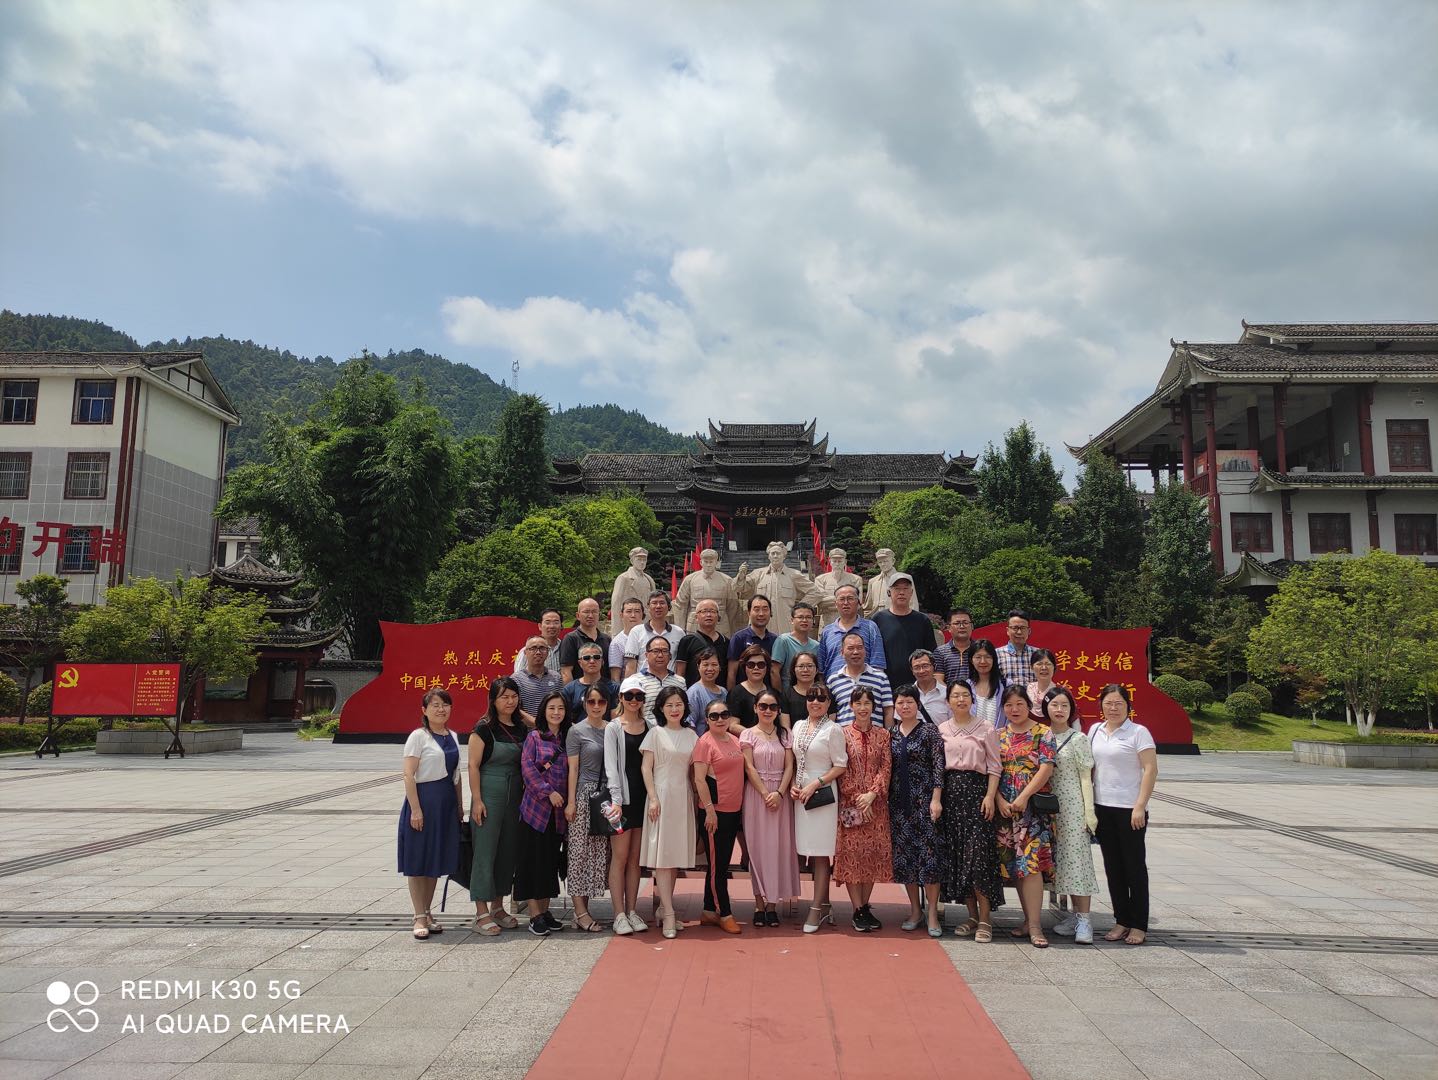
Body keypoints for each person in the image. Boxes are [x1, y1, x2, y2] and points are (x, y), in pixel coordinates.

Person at [1090, 683, 1157, 946]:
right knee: (1113, 867)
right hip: (1102, 807)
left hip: (1130, 810)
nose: (1113, 708)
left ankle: (1139, 924)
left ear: (1128, 706)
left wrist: (1140, 805)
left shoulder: (1139, 732)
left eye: (1119, 703)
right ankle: (1121, 920)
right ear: (1101, 706)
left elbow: (1150, 769)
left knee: (1134, 867)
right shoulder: (1095, 730)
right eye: (1108, 703)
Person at [936, 681, 1003, 943]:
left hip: (977, 794)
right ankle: (972, 916)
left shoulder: (986, 728)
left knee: (979, 857)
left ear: (972, 699)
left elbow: (995, 766)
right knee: (959, 856)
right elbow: (939, 767)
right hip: (952, 795)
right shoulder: (942, 729)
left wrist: (989, 796)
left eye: (965, 695)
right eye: (956, 695)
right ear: (948, 701)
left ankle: (986, 919)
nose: (961, 699)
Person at [398, 688, 463, 940]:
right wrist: (416, 809)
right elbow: (408, 775)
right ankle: (418, 916)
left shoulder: (453, 736)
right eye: (435, 705)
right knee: (418, 859)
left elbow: (456, 775)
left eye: (445, 704)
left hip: (446, 803)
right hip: (424, 801)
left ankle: (427, 911)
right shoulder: (418, 737)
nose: (441, 709)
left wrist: (459, 806)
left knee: (435, 859)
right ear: (424, 710)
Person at [996, 685, 1056, 949]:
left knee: (1031, 866)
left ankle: (1035, 925)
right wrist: (999, 800)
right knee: (1016, 867)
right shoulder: (999, 735)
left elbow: (1046, 768)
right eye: (1009, 705)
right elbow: (992, 771)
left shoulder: (1043, 732)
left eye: (1019, 704)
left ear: (1029, 705)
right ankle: (1027, 919)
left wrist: (1023, 797)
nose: (1014, 709)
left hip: (1032, 811)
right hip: (1005, 811)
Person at [468, 677, 528, 935]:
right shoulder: (483, 728)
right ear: (493, 700)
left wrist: (522, 715)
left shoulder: (522, 728)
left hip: (515, 796)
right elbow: (472, 765)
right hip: (489, 793)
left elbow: (542, 727)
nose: (510, 701)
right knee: (485, 852)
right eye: (504, 697)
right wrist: (477, 800)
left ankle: (498, 907)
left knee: (507, 852)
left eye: (514, 696)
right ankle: (481, 912)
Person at [639, 686, 700, 939]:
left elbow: (697, 770)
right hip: (661, 797)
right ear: (661, 709)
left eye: (678, 704)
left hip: (683, 797)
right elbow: (646, 768)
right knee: (662, 857)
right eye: (669, 705)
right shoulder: (655, 733)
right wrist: (653, 798)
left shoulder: (691, 735)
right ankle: (670, 913)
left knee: (673, 856)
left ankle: (664, 908)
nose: (675, 709)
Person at [1042, 686, 1099, 944]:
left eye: (1065, 705)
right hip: (1046, 809)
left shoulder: (1078, 739)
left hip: (1073, 808)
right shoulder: (1041, 736)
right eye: (1055, 705)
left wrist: (1089, 813)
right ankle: (1074, 916)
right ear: (1046, 708)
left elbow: (1086, 778)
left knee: (1077, 862)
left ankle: (1085, 920)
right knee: (1058, 862)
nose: (1059, 710)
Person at [888, 686, 945, 936]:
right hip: (899, 806)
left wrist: (936, 799)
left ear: (918, 704)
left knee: (929, 858)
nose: (905, 706)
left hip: (925, 803)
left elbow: (939, 766)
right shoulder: (892, 733)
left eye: (909, 701)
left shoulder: (929, 731)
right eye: (900, 702)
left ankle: (932, 912)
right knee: (906, 859)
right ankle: (914, 910)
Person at [835, 686, 893, 931]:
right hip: (851, 804)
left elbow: (886, 768)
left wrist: (872, 795)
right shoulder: (842, 734)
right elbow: (841, 768)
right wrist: (859, 798)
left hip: (876, 804)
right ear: (851, 706)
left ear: (873, 706)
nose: (863, 707)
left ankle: (865, 906)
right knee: (853, 855)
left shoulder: (883, 735)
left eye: (867, 703)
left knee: (872, 856)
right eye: (858, 703)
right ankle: (857, 909)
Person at [792, 684, 848, 933]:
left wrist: (816, 783)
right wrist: (794, 784)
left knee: (820, 852)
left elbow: (840, 765)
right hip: (801, 794)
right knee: (806, 848)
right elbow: (797, 760)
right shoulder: (798, 726)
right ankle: (824, 904)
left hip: (822, 793)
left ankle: (816, 908)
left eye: (821, 698)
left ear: (828, 703)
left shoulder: (833, 729)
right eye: (811, 697)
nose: (815, 702)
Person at [740, 689, 799, 926]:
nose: (767, 711)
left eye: (772, 707)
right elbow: (749, 767)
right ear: (755, 708)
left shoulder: (785, 734)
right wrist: (766, 794)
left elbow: (789, 766)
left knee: (778, 848)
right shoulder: (747, 734)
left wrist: (780, 793)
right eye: (763, 706)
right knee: (756, 849)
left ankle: (772, 904)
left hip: (780, 797)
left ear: (778, 710)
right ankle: (758, 903)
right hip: (757, 796)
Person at [515, 691, 569, 937]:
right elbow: (528, 770)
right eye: (551, 708)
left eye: (560, 708)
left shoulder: (567, 739)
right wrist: (549, 792)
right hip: (535, 811)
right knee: (532, 863)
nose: (556, 713)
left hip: (558, 815)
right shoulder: (534, 737)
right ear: (543, 712)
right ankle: (534, 915)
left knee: (549, 863)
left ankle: (545, 911)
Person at [692, 698, 747, 935]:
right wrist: (709, 811)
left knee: (719, 864)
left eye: (724, 715)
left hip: (734, 811)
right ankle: (724, 912)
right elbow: (699, 779)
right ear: (707, 720)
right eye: (714, 716)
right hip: (715, 812)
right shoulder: (704, 743)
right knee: (718, 867)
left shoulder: (734, 740)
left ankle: (708, 910)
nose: (720, 719)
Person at [605, 674, 655, 935]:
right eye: (629, 696)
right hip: (621, 802)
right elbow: (611, 766)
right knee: (620, 857)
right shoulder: (613, 728)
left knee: (636, 859)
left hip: (643, 800)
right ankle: (618, 914)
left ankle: (632, 910)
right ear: (621, 698)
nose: (634, 700)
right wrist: (616, 801)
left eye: (639, 696)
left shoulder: (650, 726)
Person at [564, 684, 612, 931]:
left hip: (606, 797)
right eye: (591, 701)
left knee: (598, 853)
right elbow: (573, 768)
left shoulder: (612, 729)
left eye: (600, 701)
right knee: (579, 853)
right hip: (584, 795)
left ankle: (584, 908)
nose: (596, 706)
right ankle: (580, 911)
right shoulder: (576, 731)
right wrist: (571, 802)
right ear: (584, 703)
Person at [734, 540, 824, 635]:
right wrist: (741, 577)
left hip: (785, 624)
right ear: (769, 556)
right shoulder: (758, 574)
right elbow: (738, 589)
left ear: (784, 556)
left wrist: (799, 609)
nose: (775, 556)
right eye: (773, 553)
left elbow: (816, 593)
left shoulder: (793, 575)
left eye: (778, 553)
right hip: (761, 623)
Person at [873, 573, 937, 688]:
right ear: (889, 592)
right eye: (897, 589)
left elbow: (931, 653)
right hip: (886, 684)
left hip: (917, 685)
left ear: (911, 592)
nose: (901, 592)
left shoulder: (922, 620)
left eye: (905, 589)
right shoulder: (878, 619)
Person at [816, 583, 886, 678]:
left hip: (864, 685)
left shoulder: (870, 627)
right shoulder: (827, 631)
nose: (846, 603)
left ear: (859, 603)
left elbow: (878, 662)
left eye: (850, 598)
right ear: (836, 604)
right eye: (841, 599)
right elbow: (821, 668)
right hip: (833, 685)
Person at [672, 547, 743, 636]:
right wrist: (680, 629)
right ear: (701, 562)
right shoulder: (690, 579)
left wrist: (726, 620)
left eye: (711, 562)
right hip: (695, 624)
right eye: (706, 562)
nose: (708, 565)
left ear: (716, 563)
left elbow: (732, 605)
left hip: (720, 624)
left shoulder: (727, 580)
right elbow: (681, 604)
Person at [828, 632, 894, 727]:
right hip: (843, 735)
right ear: (842, 652)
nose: (856, 652)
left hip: (875, 735)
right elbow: (830, 713)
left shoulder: (881, 677)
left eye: (859, 648)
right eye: (850, 648)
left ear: (865, 651)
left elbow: (888, 710)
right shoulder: (833, 680)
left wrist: (889, 733)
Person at [625, 591, 684, 675]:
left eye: (662, 603)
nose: (658, 606)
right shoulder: (636, 632)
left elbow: (680, 665)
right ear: (648, 607)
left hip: (670, 682)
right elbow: (630, 666)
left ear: (669, 607)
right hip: (643, 682)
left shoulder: (679, 632)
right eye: (654, 603)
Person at [675, 598, 730, 688]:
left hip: (720, 693)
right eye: (704, 611)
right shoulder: (687, 641)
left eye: (712, 611)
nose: (708, 615)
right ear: (696, 617)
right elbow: (680, 673)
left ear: (718, 617)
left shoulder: (726, 642)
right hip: (693, 692)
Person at [727, 594, 777, 684]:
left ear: (770, 613)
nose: (761, 614)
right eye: (756, 609)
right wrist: (732, 692)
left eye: (765, 609)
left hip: (768, 691)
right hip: (744, 691)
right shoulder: (738, 638)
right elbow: (732, 673)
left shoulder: (776, 640)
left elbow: (775, 671)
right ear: (749, 613)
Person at [558, 597, 611, 682]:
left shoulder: (606, 639)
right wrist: (571, 690)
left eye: (594, 612)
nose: (590, 615)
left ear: (599, 614)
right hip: (580, 688)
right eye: (586, 612)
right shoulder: (570, 639)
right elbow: (566, 672)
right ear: (578, 615)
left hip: (605, 688)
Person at [562, 642, 617, 720]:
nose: (592, 661)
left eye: (596, 657)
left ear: (602, 661)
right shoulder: (569, 690)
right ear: (580, 663)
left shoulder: (614, 688)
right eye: (587, 658)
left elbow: (616, 719)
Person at [770, 601, 819, 689]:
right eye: (800, 617)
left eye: (808, 617)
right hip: (787, 692)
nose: (804, 620)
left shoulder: (816, 645)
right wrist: (779, 693)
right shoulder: (783, 640)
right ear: (792, 620)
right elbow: (774, 670)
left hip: (810, 693)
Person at [609, 546, 656, 636]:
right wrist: (617, 631)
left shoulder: (649, 579)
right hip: (629, 624)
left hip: (646, 624)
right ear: (632, 561)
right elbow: (616, 604)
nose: (642, 562)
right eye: (639, 559)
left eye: (644, 560)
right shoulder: (624, 578)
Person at [635, 637, 686, 718]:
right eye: (655, 651)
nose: (660, 655)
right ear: (646, 655)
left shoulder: (680, 681)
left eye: (665, 651)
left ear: (670, 656)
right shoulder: (635, 681)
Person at [513, 637, 562, 720]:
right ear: (525, 652)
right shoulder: (516, 679)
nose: (538, 652)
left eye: (542, 648)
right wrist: (537, 724)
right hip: (527, 728)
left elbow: (560, 705)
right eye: (533, 648)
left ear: (548, 652)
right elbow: (515, 709)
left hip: (552, 726)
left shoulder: (556, 677)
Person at [813, 547, 864, 626]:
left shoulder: (856, 579)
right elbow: (820, 603)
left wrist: (829, 602)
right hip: (827, 622)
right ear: (830, 562)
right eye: (834, 561)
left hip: (850, 623)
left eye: (840, 561)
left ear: (845, 562)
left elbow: (857, 603)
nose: (837, 564)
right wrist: (847, 600)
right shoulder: (820, 579)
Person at [726, 643, 773, 729]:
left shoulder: (772, 693)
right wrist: (754, 735)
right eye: (751, 665)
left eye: (761, 665)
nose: (756, 668)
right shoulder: (736, 693)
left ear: (767, 668)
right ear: (744, 667)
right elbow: (732, 726)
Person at [685, 647, 727, 734]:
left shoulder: (724, 692)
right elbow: (689, 724)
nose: (710, 669)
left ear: (720, 667)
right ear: (698, 667)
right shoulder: (694, 692)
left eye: (714, 664)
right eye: (705, 665)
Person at [966, 639, 1005, 729]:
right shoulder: (966, 686)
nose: (983, 661)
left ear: (994, 659)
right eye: (978, 657)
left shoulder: (1006, 685)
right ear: (971, 660)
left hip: (1001, 736)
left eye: (987, 657)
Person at [781, 650, 825, 729]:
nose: (805, 670)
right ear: (793, 670)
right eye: (801, 666)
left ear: (817, 670)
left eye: (810, 666)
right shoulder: (786, 694)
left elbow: (830, 723)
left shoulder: (825, 693)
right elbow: (786, 728)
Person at [995, 609, 1040, 687]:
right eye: (1015, 628)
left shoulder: (1038, 654)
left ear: (1029, 631)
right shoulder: (996, 654)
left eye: (1023, 628)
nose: (1019, 632)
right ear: (1007, 630)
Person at [513, 609, 565, 675]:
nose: (552, 626)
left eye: (556, 622)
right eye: (547, 622)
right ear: (540, 626)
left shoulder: (567, 648)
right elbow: (518, 676)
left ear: (561, 626)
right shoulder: (529, 650)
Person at [608, 597, 645, 682]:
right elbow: (615, 677)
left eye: (637, 611)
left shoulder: (650, 637)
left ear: (642, 614)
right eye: (629, 611)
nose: (633, 615)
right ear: (621, 615)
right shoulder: (617, 643)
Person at [933, 609, 974, 685]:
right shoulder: (940, 652)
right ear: (949, 628)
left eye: (965, 623)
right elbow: (938, 679)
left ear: (972, 626)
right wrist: (952, 691)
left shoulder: (979, 649)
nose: (962, 626)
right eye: (957, 623)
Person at [910, 649, 949, 724]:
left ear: (934, 666)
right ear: (912, 670)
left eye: (925, 666)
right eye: (917, 667)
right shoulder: (907, 694)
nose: (921, 671)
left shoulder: (947, 693)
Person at [1026, 649, 1060, 722]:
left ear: (1054, 667)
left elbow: (1074, 718)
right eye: (1039, 664)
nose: (1044, 668)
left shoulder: (1061, 691)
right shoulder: (1027, 691)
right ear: (1031, 667)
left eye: (1048, 664)